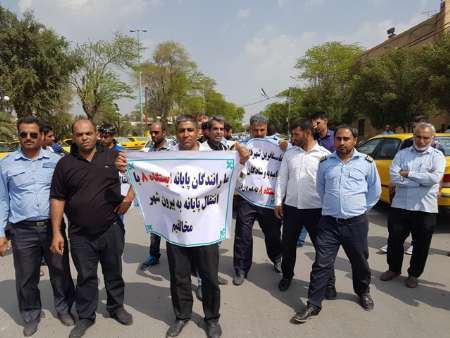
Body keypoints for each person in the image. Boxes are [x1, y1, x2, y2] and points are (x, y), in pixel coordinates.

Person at [116, 115, 249, 338]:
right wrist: (125, 167)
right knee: (179, 276)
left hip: (205, 229)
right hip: (176, 229)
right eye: (181, 130)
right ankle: (182, 316)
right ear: (175, 134)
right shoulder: (165, 158)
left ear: (198, 132)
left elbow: (238, 179)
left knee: (208, 277)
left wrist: (243, 161)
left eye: (189, 130)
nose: (185, 134)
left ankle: (212, 318)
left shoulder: (215, 157)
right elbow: (142, 174)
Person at [50, 119, 135, 338]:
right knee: (86, 276)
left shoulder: (113, 157)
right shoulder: (64, 164)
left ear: (96, 134)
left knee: (113, 272)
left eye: (88, 133)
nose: (84, 137)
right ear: (73, 137)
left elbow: (142, 175)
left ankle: (116, 307)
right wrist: (56, 231)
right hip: (79, 233)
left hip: (111, 228)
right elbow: (57, 199)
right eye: (79, 134)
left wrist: (128, 199)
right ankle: (86, 315)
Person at [291, 125, 381, 324]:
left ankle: (363, 291)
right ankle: (313, 304)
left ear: (354, 140)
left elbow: (374, 192)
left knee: (359, 262)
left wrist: (358, 209)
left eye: (346, 139)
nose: (341, 143)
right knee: (322, 264)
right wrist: (334, 207)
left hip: (355, 223)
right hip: (329, 223)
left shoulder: (367, 162)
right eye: (338, 139)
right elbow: (321, 188)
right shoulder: (325, 163)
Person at [0, 116, 75, 337]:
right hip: (22, 230)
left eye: (33, 134)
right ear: (18, 135)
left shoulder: (55, 161)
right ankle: (31, 315)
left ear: (41, 136)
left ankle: (64, 309)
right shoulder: (6, 164)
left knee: (60, 271)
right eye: (24, 134)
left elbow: (68, 192)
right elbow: (2, 200)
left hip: (53, 227)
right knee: (26, 276)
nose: (28, 138)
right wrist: (1, 233)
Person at [380, 123, 445, 288]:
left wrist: (408, 174)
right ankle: (393, 269)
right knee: (394, 240)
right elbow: (394, 177)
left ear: (432, 138)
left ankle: (414, 274)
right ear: (413, 136)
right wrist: (421, 180)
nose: (422, 141)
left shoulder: (437, 156)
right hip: (401, 206)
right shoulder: (402, 154)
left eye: (426, 138)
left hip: (425, 208)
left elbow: (434, 179)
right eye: (418, 136)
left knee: (421, 245)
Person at [274, 119, 331, 292]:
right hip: (292, 208)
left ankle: (328, 282)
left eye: (296, 134)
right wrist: (278, 201)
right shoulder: (290, 154)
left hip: (316, 209)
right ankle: (287, 275)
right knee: (288, 245)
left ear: (307, 133)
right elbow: (282, 178)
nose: (293, 138)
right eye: (292, 134)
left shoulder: (324, 155)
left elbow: (329, 184)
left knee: (322, 249)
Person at [232, 114, 284, 286]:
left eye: (262, 130)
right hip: (247, 198)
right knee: (243, 235)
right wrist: (237, 146)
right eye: (256, 130)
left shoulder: (278, 145)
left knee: (273, 234)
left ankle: (277, 258)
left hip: (269, 200)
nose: (259, 133)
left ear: (267, 129)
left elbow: (292, 151)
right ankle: (240, 269)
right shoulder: (243, 145)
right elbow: (227, 146)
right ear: (250, 129)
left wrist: (287, 147)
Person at [140, 121, 173, 270]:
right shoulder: (149, 151)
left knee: (172, 228)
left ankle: (176, 257)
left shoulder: (173, 150)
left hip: (171, 197)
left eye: (156, 132)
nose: (153, 135)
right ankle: (154, 255)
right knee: (155, 227)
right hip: (154, 196)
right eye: (151, 133)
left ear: (164, 132)